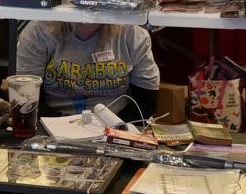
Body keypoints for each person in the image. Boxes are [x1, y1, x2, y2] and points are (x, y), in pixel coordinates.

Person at [14, 20, 160, 121]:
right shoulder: (39, 31)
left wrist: (114, 127)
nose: (85, 18)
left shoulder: (131, 32)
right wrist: (67, 126)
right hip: (50, 122)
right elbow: (26, 97)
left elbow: (147, 100)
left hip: (118, 123)